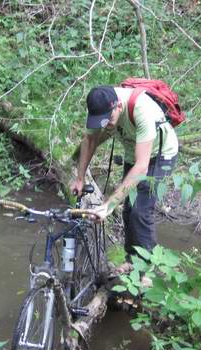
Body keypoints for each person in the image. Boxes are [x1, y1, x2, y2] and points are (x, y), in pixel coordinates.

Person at [70, 85, 178, 263]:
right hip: (134, 152)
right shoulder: (101, 105)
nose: (105, 124)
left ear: (118, 106)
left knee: (140, 210)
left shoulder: (141, 110)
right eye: (101, 121)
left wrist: (108, 205)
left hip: (160, 155)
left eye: (108, 119)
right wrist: (80, 178)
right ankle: (131, 261)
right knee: (128, 209)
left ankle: (145, 271)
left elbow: (142, 166)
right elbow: (90, 141)